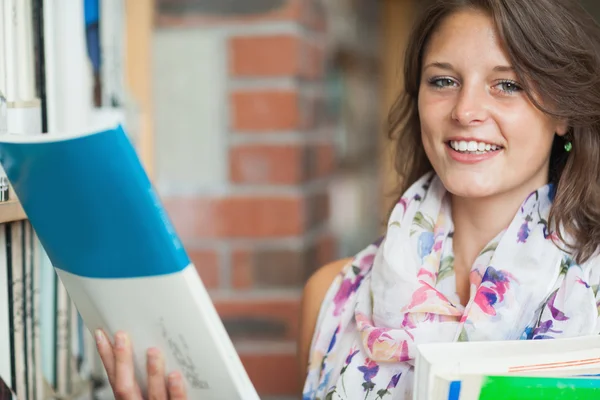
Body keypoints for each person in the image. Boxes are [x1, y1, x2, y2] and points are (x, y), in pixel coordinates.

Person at [94, 0, 600, 398]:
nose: (466, 110)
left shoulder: (591, 297)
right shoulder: (330, 299)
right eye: (443, 81)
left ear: (562, 113)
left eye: (506, 85)